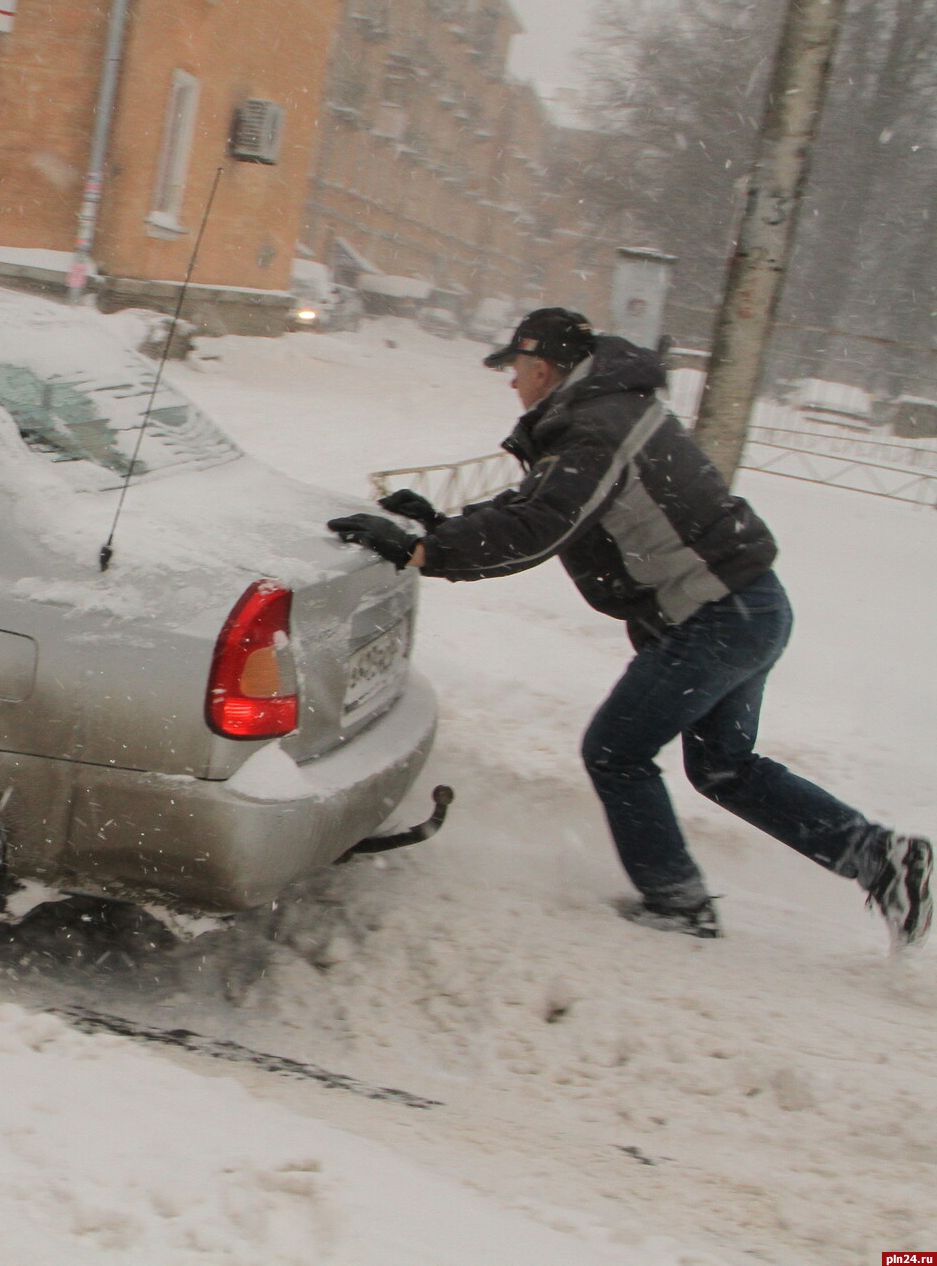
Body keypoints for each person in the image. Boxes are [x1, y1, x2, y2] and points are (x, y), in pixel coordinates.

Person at [327, 307, 931, 950]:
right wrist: (443, 524)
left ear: (542, 366)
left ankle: (677, 901)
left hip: (716, 617)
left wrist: (425, 552)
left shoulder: (595, 429)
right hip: (750, 606)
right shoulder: (602, 411)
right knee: (724, 769)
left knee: (616, 752)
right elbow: (541, 503)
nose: (511, 383)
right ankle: (879, 859)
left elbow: (542, 527)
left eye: (514, 369)